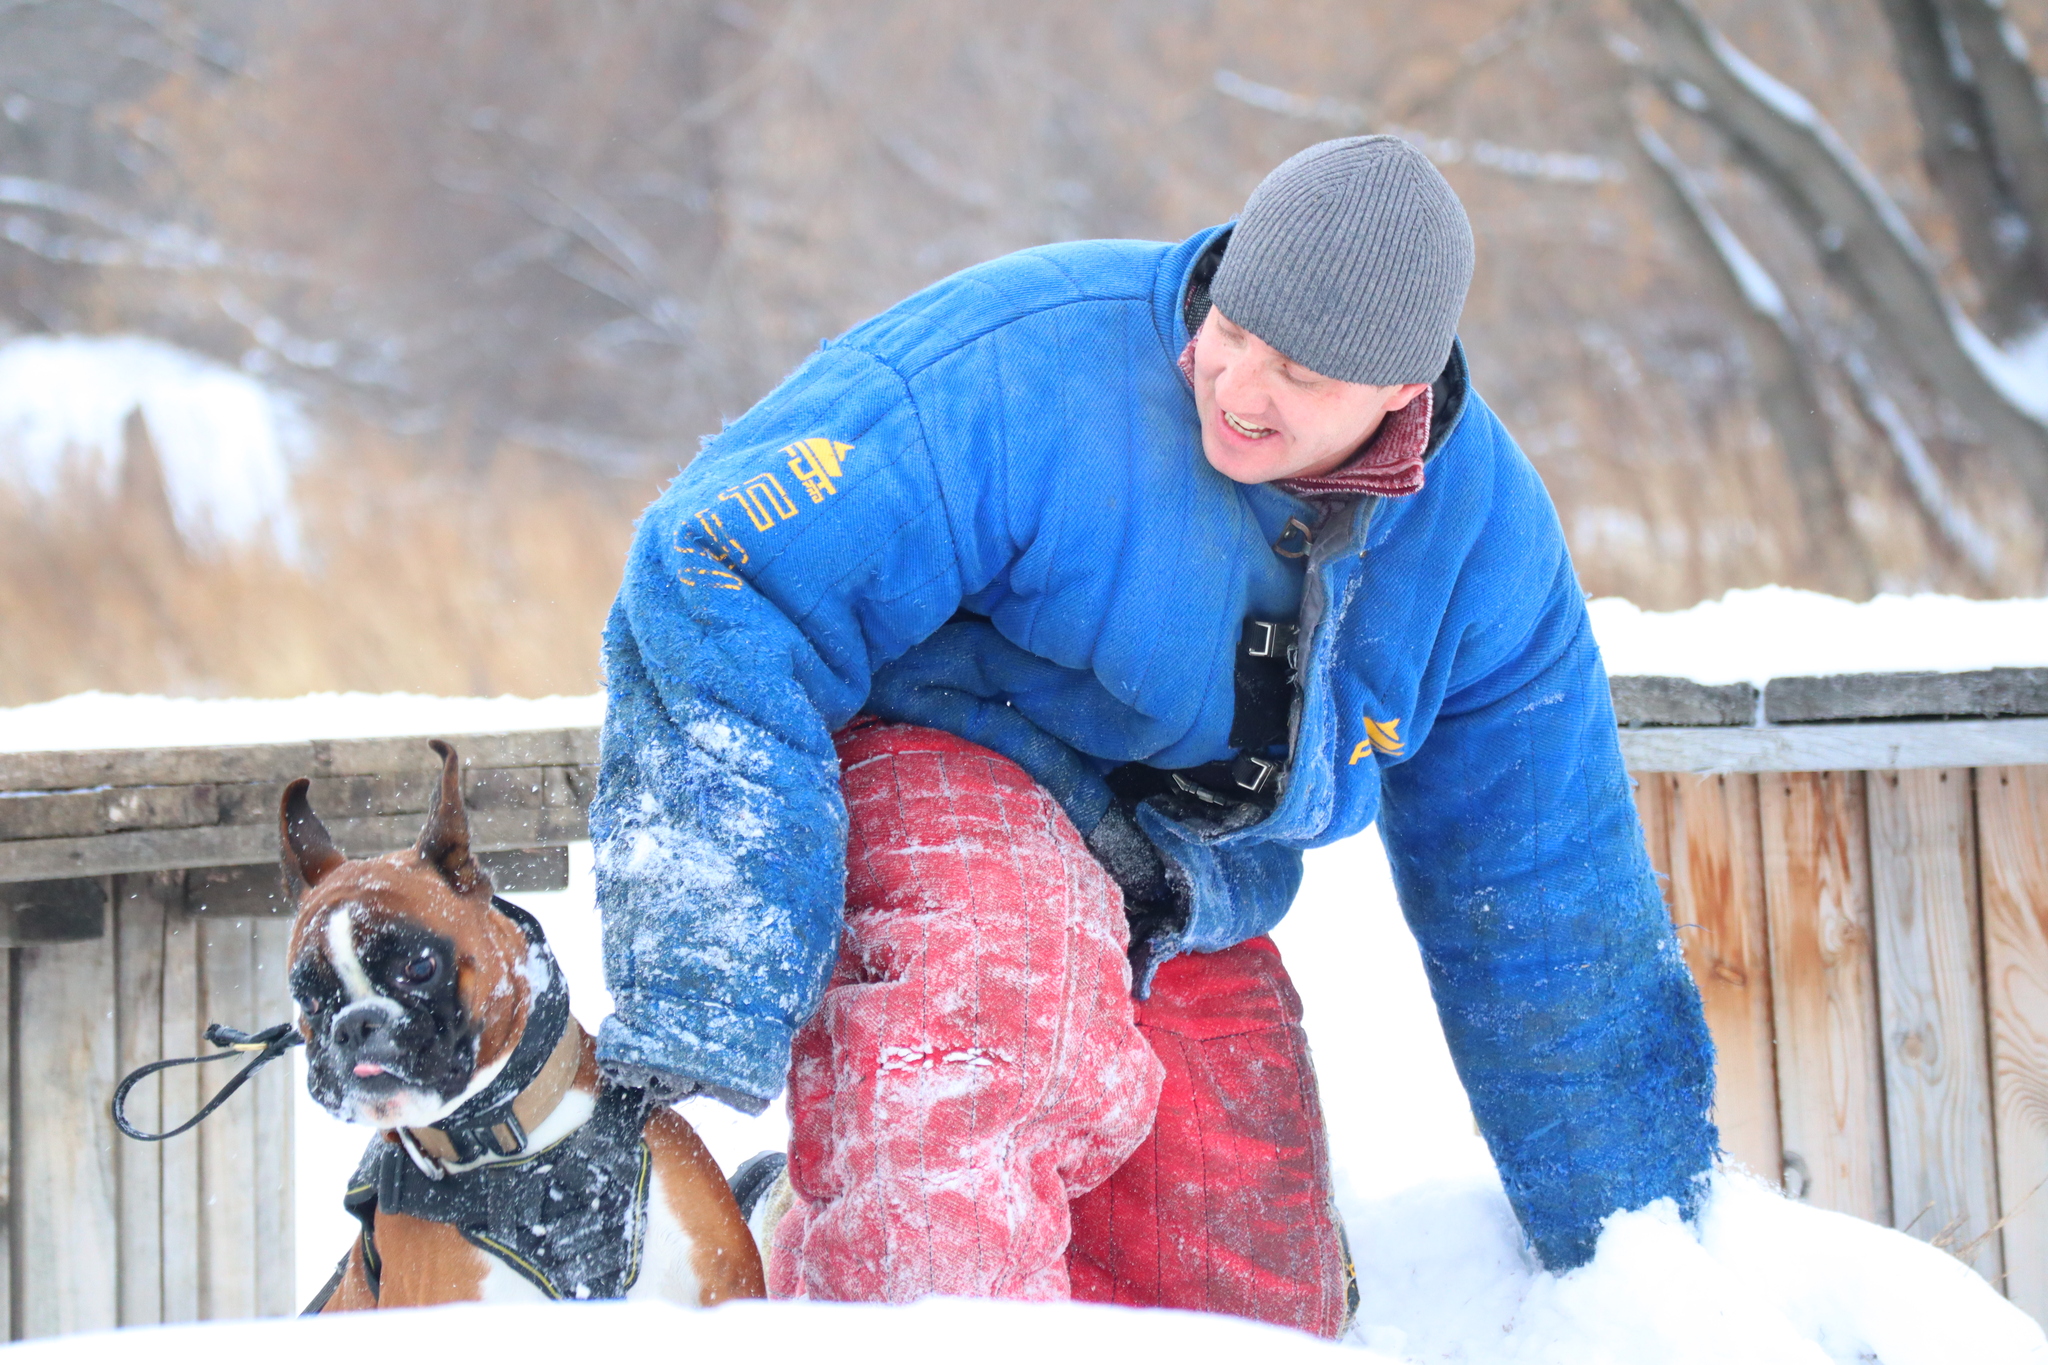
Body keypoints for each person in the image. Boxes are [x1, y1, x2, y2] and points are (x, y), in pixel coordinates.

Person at [590, 135, 1718, 1336]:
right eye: (1231, 332)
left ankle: (905, 1254)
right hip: (940, 757)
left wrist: (1633, 1256)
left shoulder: (1481, 554)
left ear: (1400, 394)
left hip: (1178, 866)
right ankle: (893, 1306)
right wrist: (708, 961)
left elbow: (1544, 890)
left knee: (1240, 1266)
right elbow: (719, 563)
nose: (1235, 386)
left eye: (1296, 374)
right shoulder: (1020, 365)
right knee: (1000, 993)